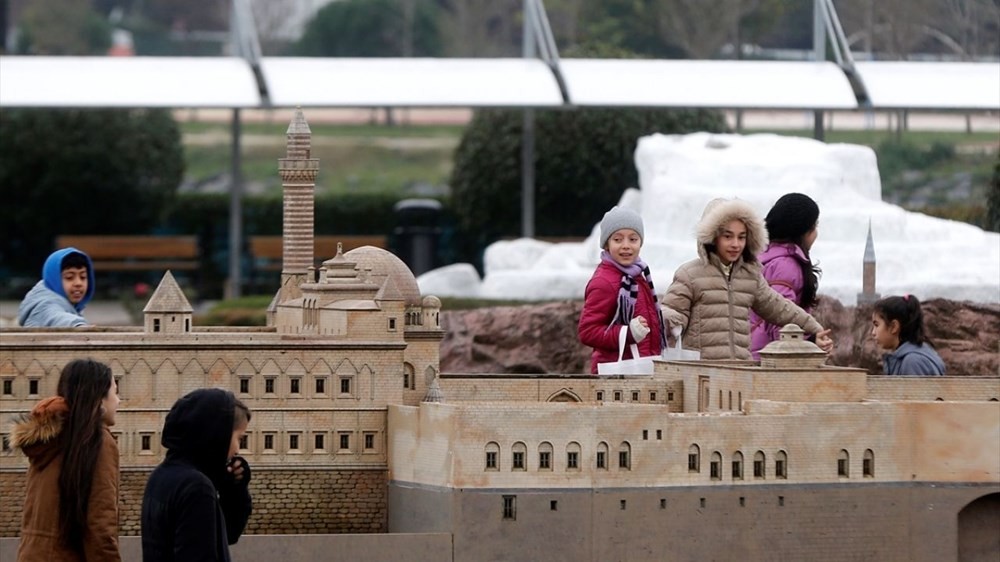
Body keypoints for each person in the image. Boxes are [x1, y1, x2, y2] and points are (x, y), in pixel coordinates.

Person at [661, 198, 833, 360]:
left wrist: (813, 328)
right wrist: (670, 321)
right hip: (702, 372)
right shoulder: (689, 274)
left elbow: (779, 307)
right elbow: (670, 312)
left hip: (741, 371)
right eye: (728, 236)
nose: (736, 244)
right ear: (712, 236)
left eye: (741, 237)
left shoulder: (750, 276)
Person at [11, 358, 121, 561]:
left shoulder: (48, 443)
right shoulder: (96, 441)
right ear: (99, 398)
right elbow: (100, 523)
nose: (118, 400)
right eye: (115, 391)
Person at [142, 388, 253, 562]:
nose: (238, 449)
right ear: (218, 435)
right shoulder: (196, 487)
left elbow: (226, 534)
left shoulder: (160, 476)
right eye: (239, 438)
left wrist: (233, 491)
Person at [578, 206, 667, 374]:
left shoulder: (638, 276)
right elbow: (587, 332)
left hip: (642, 368)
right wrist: (627, 333)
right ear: (606, 244)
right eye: (618, 240)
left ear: (641, 242)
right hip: (616, 376)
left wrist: (666, 320)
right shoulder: (604, 282)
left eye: (633, 239)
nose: (626, 246)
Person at [749, 193, 823, 359]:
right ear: (804, 231)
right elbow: (781, 320)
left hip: (755, 350)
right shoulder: (786, 266)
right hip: (770, 360)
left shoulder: (763, 257)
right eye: (815, 226)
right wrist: (811, 341)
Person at [18, 247, 95, 327]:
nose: (78, 283)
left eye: (83, 277)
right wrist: (78, 325)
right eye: (69, 277)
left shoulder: (71, 306)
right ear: (54, 279)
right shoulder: (45, 305)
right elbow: (56, 317)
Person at [871, 295, 946, 376]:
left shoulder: (913, 361)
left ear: (894, 327)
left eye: (876, 325)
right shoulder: (912, 356)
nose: (873, 332)